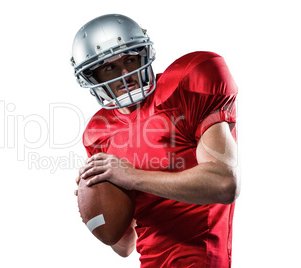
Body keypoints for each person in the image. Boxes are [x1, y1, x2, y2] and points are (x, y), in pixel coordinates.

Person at [71, 14, 240, 267]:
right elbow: (125, 246)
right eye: (109, 67)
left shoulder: (184, 87)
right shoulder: (99, 131)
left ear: (144, 54)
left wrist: (132, 176)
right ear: (93, 77)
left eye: (130, 59)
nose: (125, 74)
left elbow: (225, 184)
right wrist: (95, 211)